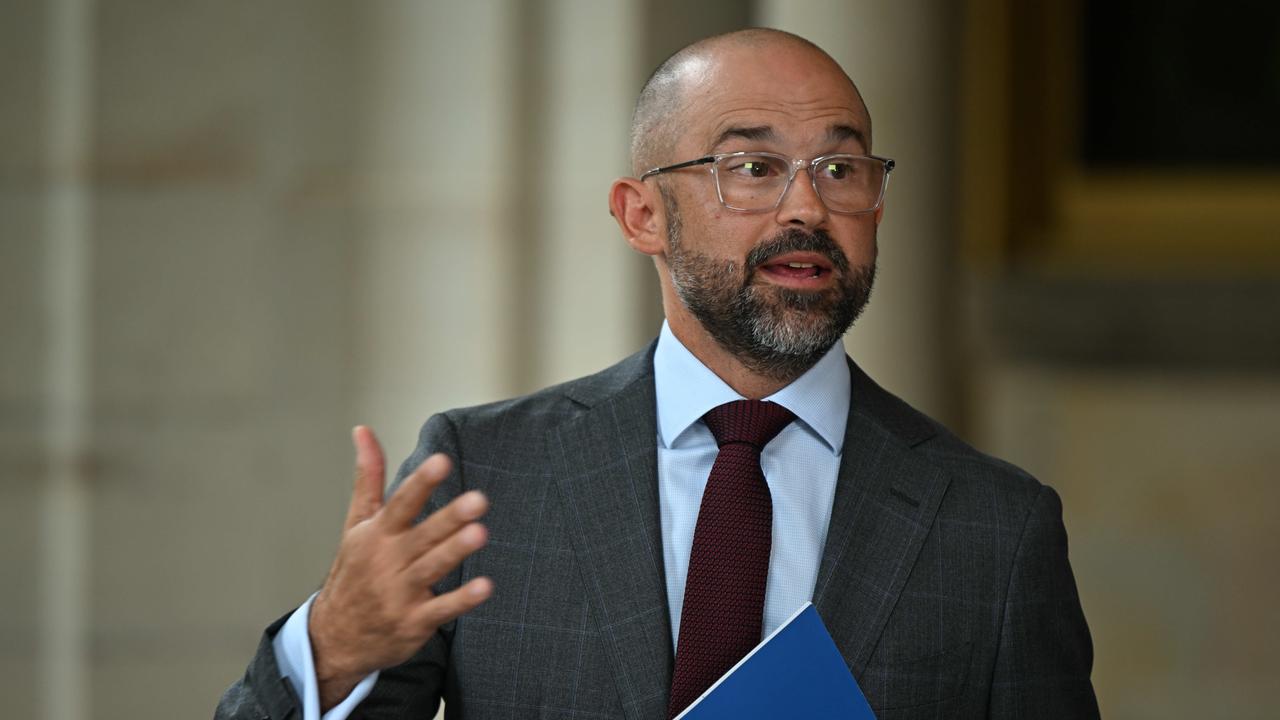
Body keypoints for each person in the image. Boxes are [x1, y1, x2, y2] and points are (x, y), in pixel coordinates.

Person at [217, 28, 1099, 720]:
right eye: (752, 167)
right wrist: (330, 647)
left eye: (841, 167)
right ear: (643, 215)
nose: (808, 206)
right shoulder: (487, 475)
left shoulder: (997, 530)